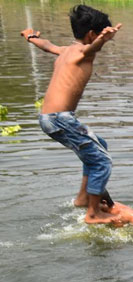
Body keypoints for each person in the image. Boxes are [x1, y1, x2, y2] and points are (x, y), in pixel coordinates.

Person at [22, 5, 122, 224]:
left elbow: (47, 45)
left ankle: (83, 198)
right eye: (102, 38)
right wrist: (104, 39)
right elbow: (92, 48)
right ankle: (93, 213)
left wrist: (30, 36)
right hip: (60, 118)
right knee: (102, 161)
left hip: (50, 118)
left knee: (98, 146)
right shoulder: (85, 51)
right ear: (92, 34)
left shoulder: (67, 50)